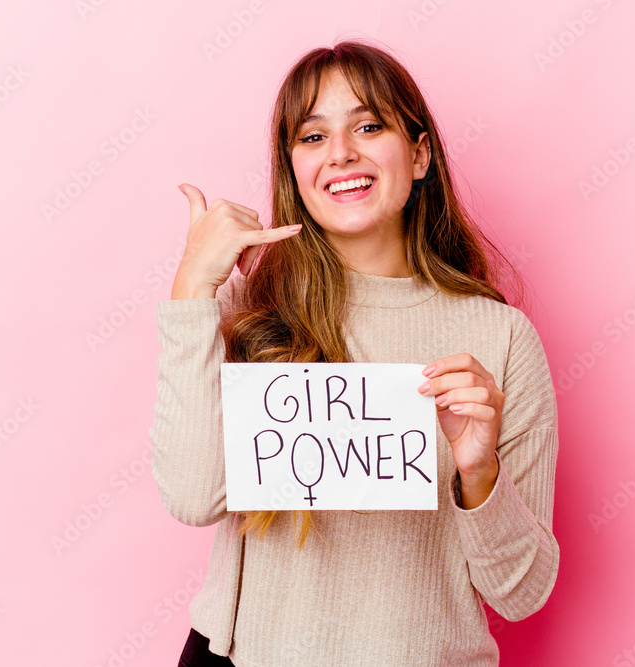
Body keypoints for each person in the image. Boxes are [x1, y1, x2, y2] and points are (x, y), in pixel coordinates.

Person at [149, 38, 559, 667]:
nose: (341, 153)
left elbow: (522, 594)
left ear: (419, 154)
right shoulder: (241, 310)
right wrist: (191, 290)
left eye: (368, 125)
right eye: (312, 137)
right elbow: (193, 496)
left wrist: (479, 478)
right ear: (293, 169)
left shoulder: (499, 339)